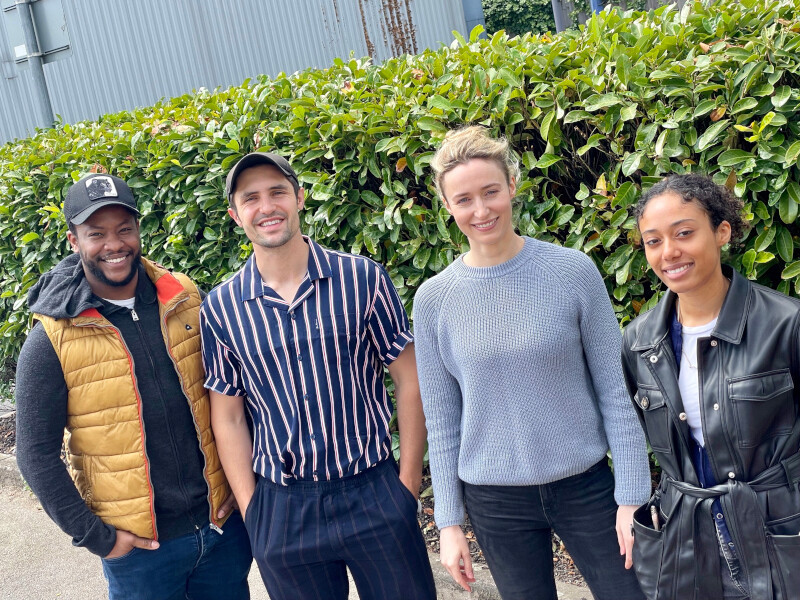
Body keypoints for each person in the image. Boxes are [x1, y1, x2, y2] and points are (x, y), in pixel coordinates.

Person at [413, 126, 650, 600]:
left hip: (586, 488)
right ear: (447, 206)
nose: (480, 210)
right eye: (464, 200)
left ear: (512, 187)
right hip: (494, 500)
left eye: (490, 192)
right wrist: (450, 523)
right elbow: (441, 421)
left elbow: (615, 393)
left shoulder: (573, 272)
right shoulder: (434, 300)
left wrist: (632, 497)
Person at [200, 151, 436, 600]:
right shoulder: (222, 307)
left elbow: (410, 376)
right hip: (284, 508)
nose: (266, 206)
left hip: (373, 492)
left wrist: (406, 485)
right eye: (251, 198)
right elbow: (227, 416)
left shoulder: (363, 278)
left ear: (300, 198)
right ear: (235, 216)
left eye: (277, 192)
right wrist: (255, 513)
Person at [15, 173, 252, 600]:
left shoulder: (184, 297)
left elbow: (229, 398)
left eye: (124, 229)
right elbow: (34, 453)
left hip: (221, 530)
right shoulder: (52, 338)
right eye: (96, 233)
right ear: (73, 240)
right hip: (142, 554)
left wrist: (238, 487)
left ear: (139, 230)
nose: (114, 245)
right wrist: (98, 538)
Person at [622, 174, 800, 600]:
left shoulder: (785, 324)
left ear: (722, 232)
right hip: (685, 536)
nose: (669, 252)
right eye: (653, 241)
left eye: (684, 233)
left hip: (776, 528)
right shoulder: (639, 341)